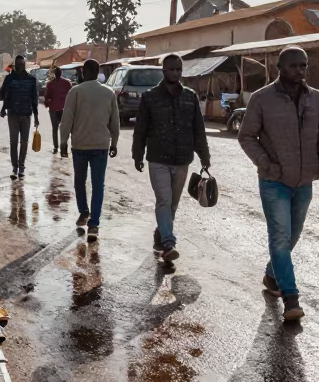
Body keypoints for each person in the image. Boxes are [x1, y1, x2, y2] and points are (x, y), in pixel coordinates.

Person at [239, 45, 319, 322]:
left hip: (304, 182)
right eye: (293, 65)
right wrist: (266, 164)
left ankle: (272, 274)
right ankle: (291, 297)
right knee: (280, 236)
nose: (300, 70)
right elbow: (246, 136)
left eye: (303, 65)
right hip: (273, 182)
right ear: (279, 68)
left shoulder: (315, 99)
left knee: (292, 236)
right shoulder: (261, 99)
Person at [131, 54, 209, 263]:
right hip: (158, 158)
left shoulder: (190, 97)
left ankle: (160, 235)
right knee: (164, 200)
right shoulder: (150, 97)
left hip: (182, 159)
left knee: (173, 204)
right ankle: (169, 242)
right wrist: (137, 154)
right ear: (164, 70)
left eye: (178, 69)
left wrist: (204, 155)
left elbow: (198, 130)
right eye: (171, 69)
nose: (175, 73)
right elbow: (141, 129)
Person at [60, 57, 119, 240]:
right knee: (98, 184)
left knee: (79, 181)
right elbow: (114, 122)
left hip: (80, 145)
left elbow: (67, 119)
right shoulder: (109, 93)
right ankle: (94, 224)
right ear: (98, 72)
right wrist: (114, 143)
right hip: (101, 145)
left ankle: (84, 212)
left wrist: (63, 142)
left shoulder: (75, 92)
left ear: (84, 72)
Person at [0, 55, 39, 180]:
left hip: (27, 114)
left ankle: (21, 167)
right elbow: (2, 95)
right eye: (19, 64)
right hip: (13, 115)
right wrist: (4, 107)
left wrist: (36, 117)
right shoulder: (9, 79)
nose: (21, 66)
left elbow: (34, 100)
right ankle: (15, 168)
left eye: (22, 63)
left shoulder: (31, 79)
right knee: (14, 142)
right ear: (15, 65)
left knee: (25, 143)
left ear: (24, 64)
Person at [44, 66, 72, 154]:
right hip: (63, 109)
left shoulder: (50, 84)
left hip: (54, 109)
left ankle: (56, 147)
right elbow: (71, 96)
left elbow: (47, 96)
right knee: (64, 129)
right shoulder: (67, 83)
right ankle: (63, 147)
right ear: (61, 73)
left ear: (55, 74)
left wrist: (47, 102)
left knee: (55, 129)